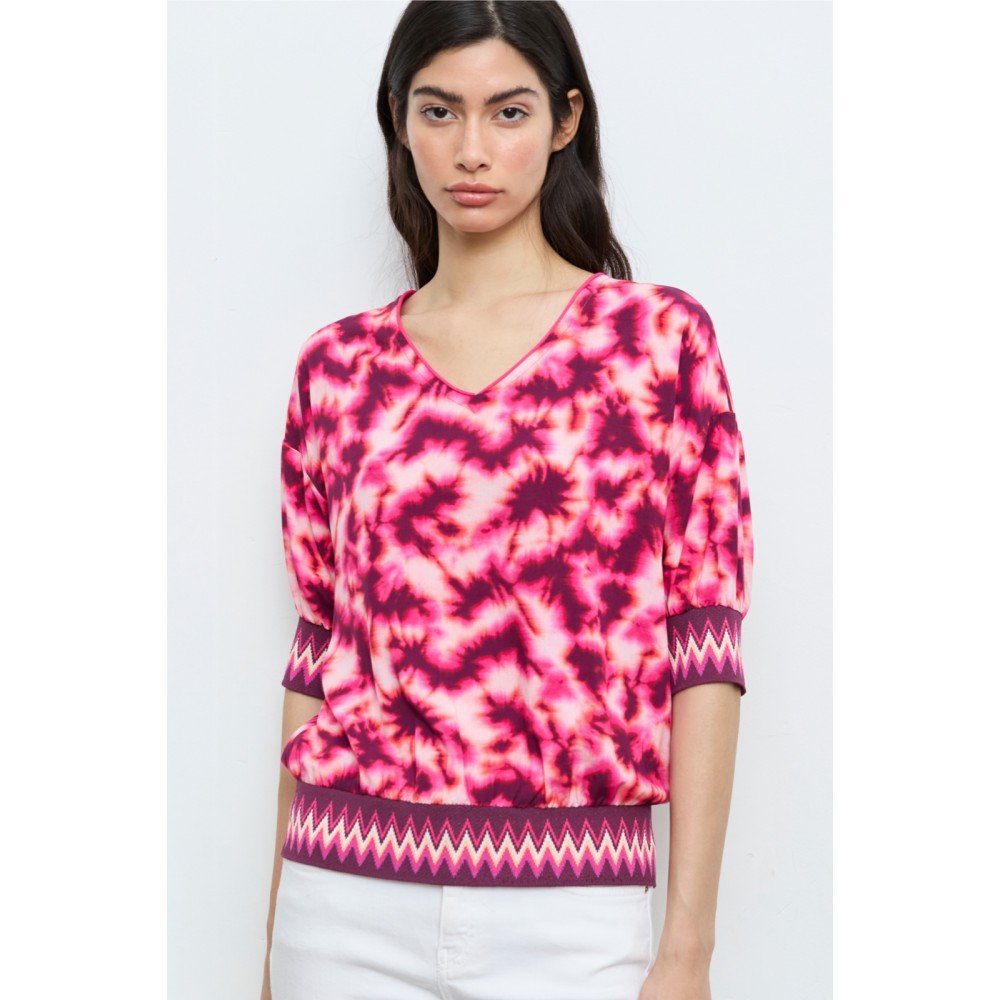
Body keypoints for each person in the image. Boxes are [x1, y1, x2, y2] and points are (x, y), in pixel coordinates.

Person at [261, 2, 753, 998]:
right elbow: (319, 652)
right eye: (438, 111)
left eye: (509, 111)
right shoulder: (338, 367)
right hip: (340, 903)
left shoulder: (656, 344)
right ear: (398, 120)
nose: (471, 150)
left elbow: (702, 643)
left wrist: (688, 947)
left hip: (573, 915)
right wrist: (273, 946)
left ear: (566, 119)